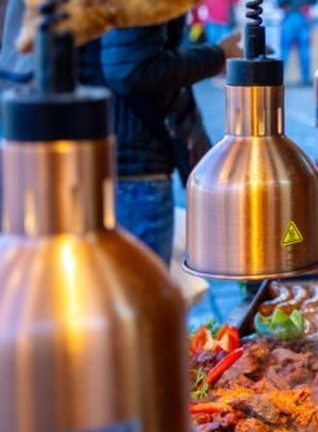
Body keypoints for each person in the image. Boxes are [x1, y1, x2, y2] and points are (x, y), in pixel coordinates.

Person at [100, 16, 241, 263]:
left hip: (121, 160)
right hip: (132, 164)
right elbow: (133, 70)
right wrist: (217, 56)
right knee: (141, 293)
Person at [276, 0, 317, 85]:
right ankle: (305, 79)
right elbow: (314, 0)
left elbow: (279, 1)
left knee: (284, 50)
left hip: (290, 18)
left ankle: (279, 78)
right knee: (304, 50)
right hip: (304, 18)